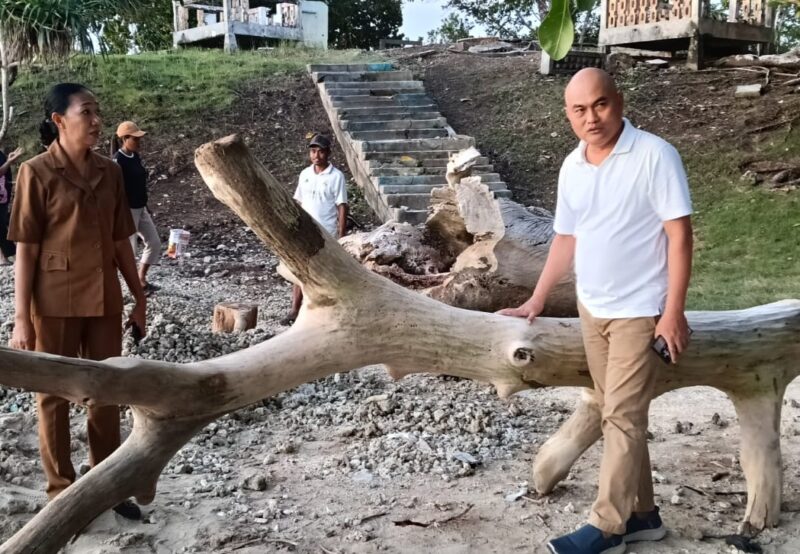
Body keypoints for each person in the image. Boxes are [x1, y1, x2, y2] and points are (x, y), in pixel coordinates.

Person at [499, 68, 693, 554]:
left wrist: (673, 312)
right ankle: (643, 514)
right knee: (616, 413)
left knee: (623, 418)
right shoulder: (572, 166)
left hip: (639, 311)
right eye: (580, 110)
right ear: (568, 115)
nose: (592, 117)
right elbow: (566, 239)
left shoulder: (655, 155)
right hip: (593, 308)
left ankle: (607, 527)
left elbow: (680, 236)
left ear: (619, 102)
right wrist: (537, 299)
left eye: (600, 104)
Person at [8, 83, 147, 520]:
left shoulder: (110, 172)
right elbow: (26, 249)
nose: (96, 120)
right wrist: (21, 318)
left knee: (105, 390)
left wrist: (138, 297)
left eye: (97, 111)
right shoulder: (35, 172)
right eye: (86, 112)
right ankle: (61, 494)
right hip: (53, 301)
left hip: (104, 297)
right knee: (53, 396)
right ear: (59, 121)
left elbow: (120, 240)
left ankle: (105, 486)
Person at [285, 133, 348, 323]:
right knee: (300, 269)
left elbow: (342, 205)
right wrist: (293, 225)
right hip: (305, 229)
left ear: (328, 153)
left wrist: (342, 234)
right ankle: (295, 309)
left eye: (320, 151)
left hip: (326, 230)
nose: (316, 156)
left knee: (326, 271)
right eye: (313, 151)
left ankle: (326, 312)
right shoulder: (305, 174)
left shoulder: (336, 176)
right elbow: (298, 201)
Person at [111, 121, 162, 294]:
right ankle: (132, 286)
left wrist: (145, 204)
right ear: (125, 139)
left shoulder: (135, 156)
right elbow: (113, 189)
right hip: (127, 210)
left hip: (141, 207)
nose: (139, 142)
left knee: (154, 242)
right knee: (129, 249)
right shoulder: (117, 161)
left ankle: (141, 278)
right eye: (135, 139)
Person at [0, 145, 23, 265]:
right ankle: (4, 257)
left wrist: (9, 160)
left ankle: (10, 255)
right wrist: (9, 161)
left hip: (2, 195)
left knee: (2, 225)